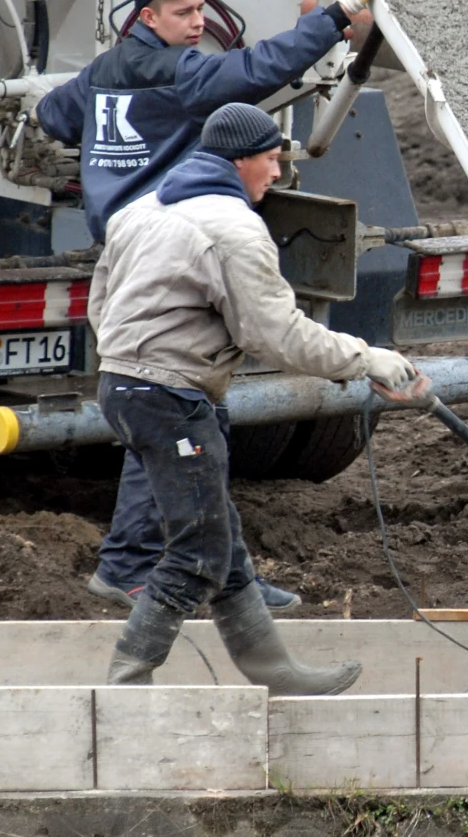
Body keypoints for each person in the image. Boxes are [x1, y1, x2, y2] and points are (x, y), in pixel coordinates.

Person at [36, 0, 387, 611]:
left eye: (201, 10)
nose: (198, 22)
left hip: (133, 252)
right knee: (177, 412)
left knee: (195, 416)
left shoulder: (101, 76)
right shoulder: (176, 75)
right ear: (147, 17)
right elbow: (251, 73)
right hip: (164, 258)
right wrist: (338, 18)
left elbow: (55, 115)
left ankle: (221, 574)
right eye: (183, 12)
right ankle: (131, 567)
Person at [90, 102, 420, 691]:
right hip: (170, 396)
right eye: (271, 160)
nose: (277, 174)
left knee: (220, 537)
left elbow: (103, 303)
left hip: (128, 385)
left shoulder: (140, 209)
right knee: (196, 555)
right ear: (239, 160)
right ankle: (124, 684)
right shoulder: (236, 229)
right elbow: (274, 335)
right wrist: (367, 359)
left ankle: (278, 673)